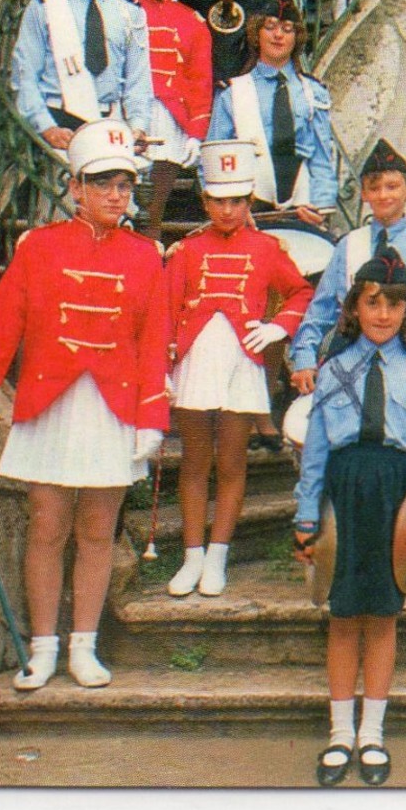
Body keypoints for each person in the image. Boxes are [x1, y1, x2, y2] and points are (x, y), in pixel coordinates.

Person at [0, 119, 168, 690]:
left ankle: (83, 647)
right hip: (51, 406)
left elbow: (155, 342)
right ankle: (42, 647)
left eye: (125, 185)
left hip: (112, 409)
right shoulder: (38, 248)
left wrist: (151, 417)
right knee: (46, 527)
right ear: (77, 187)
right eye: (105, 183)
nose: (117, 195)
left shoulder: (146, 256)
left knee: (96, 532)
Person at [292, 249, 406, 786]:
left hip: (395, 495)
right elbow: (314, 451)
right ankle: (340, 732)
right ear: (354, 308)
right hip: (344, 491)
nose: (382, 314)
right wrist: (306, 515)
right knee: (342, 616)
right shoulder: (334, 370)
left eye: (393, 305)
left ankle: (372, 733)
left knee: (383, 616)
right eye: (372, 303)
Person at [165, 140, 313, 597]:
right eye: (217, 200)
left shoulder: (267, 248)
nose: (226, 210)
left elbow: (301, 293)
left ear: (248, 202)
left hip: (241, 363)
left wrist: (277, 328)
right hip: (193, 360)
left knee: (231, 461)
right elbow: (165, 310)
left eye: (235, 201)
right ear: (204, 201)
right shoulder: (187, 250)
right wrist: (161, 368)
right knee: (194, 461)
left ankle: (218, 555)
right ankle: (191, 555)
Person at [291, 139, 406, 391]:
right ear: (364, 194)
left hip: (405, 356)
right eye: (374, 188)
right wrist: (304, 358)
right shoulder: (349, 245)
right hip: (349, 355)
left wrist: (393, 354)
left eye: (392, 186)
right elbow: (321, 310)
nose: (384, 195)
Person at [10, 0, 152, 151]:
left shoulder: (130, 12)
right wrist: (47, 128)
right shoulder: (45, 5)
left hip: (108, 128)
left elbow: (138, 83)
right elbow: (25, 77)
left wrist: (137, 127)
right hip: (57, 126)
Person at [207, 0, 336, 223]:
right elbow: (213, 160)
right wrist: (227, 210)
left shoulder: (313, 93)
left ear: (296, 38)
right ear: (257, 34)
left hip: (302, 209)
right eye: (270, 27)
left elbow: (322, 158)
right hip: (247, 211)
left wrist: (321, 208)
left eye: (287, 29)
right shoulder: (233, 93)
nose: (278, 35)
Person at [134, 0, 213, 241]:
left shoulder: (192, 20)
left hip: (170, 121)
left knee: (154, 211)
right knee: (121, 204)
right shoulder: (124, 9)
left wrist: (196, 132)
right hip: (130, 115)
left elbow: (200, 80)